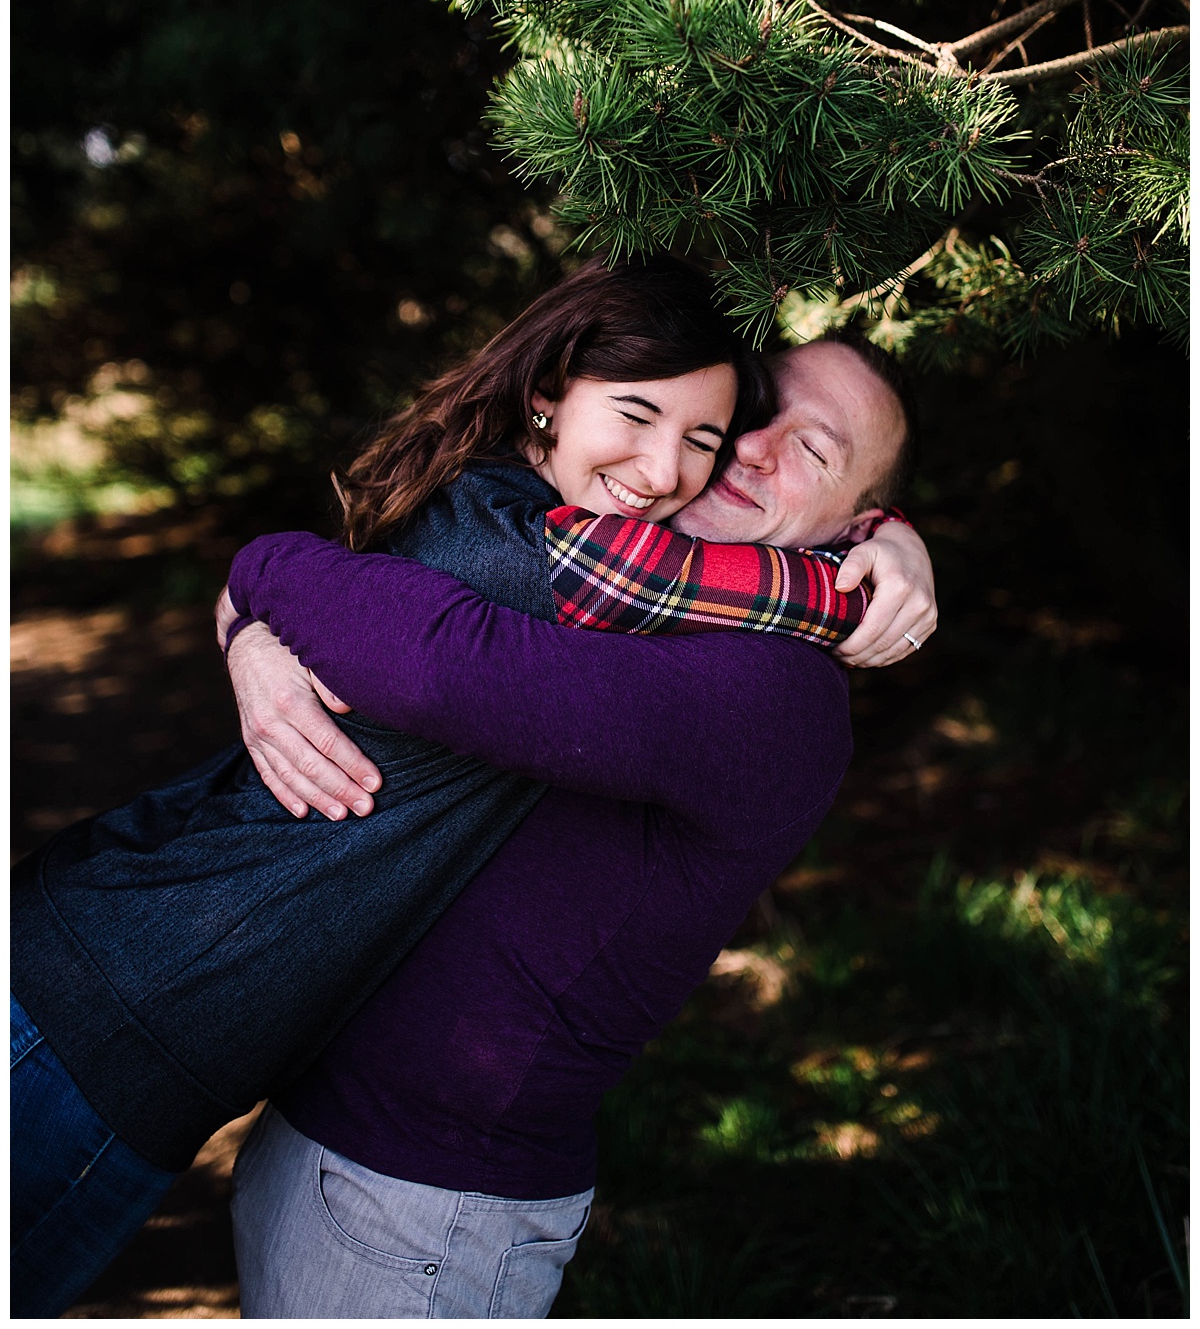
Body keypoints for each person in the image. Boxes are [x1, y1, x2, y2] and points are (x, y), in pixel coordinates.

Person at [10, 259, 931, 1317]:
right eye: (654, 412)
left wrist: (885, 548)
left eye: (725, 436)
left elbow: (458, 647)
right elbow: (445, 653)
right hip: (103, 1012)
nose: (710, 458)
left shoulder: (760, 678)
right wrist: (255, 603)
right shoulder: (535, 546)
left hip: (401, 1185)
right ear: (550, 395)